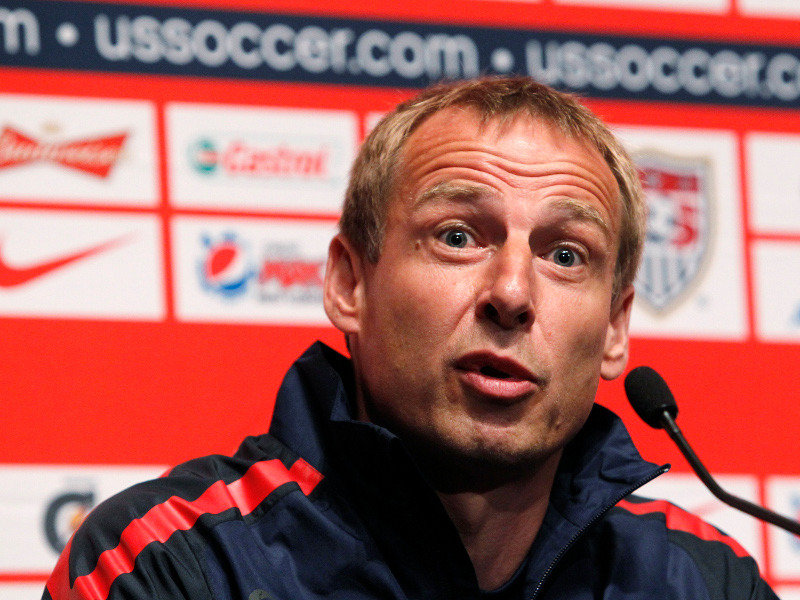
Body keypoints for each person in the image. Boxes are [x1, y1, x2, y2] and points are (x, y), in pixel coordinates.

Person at [43, 77, 777, 600]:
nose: (512, 294)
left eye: (564, 254)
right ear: (349, 284)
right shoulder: (171, 564)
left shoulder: (706, 581)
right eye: (457, 237)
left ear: (616, 328)